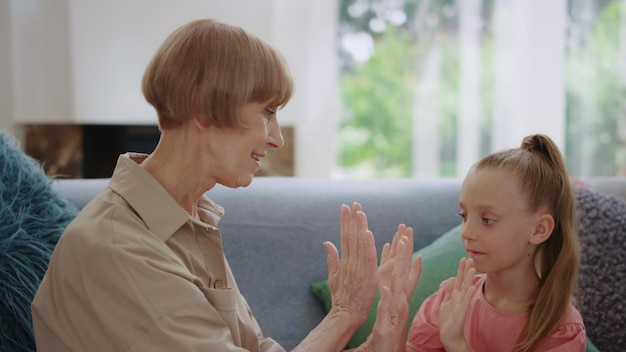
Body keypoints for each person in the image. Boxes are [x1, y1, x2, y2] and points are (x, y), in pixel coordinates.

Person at [31, 19, 422, 352]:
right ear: (202, 106)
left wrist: (376, 344)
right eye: (267, 112)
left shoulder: (186, 218)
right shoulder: (119, 247)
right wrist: (344, 316)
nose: (276, 140)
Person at [406, 134, 586, 352]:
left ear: (539, 229)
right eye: (464, 216)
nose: (467, 232)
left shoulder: (561, 329)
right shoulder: (449, 301)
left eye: (487, 219)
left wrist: (457, 344)